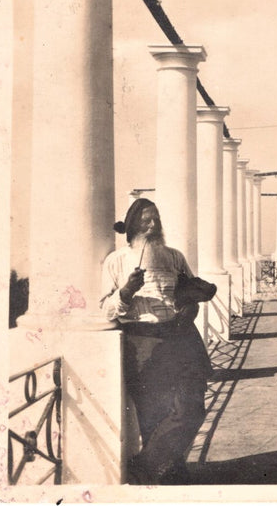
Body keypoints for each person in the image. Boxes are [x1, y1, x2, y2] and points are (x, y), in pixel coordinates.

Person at [99, 198, 212, 484]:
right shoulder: (117, 261)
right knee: (152, 412)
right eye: (146, 220)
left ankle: (145, 465)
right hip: (143, 341)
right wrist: (126, 291)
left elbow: (190, 292)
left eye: (156, 219)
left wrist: (192, 302)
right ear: (133, 225)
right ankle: (167, 472)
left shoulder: (174, 257)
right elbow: (105, 309)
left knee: (192, 406)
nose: (153, 225)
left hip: (180, 336)